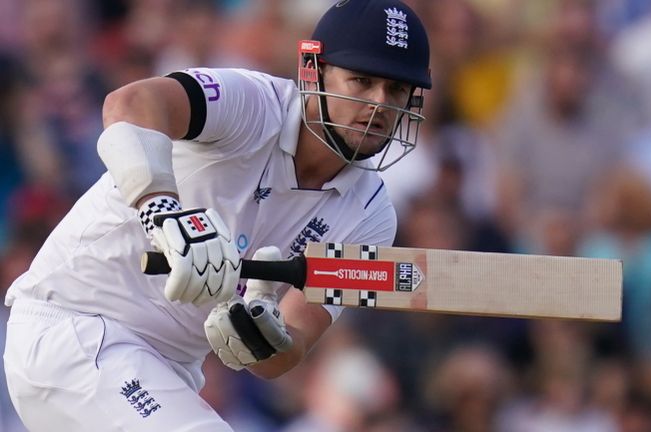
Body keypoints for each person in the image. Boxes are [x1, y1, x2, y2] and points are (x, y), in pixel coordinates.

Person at [3, 0, 431, 430]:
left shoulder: (372, 215)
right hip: (73, 325)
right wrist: (163, 212)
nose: (380, 105)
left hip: (166, 370)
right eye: (361, 81)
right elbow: (129, 102)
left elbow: (288, 350)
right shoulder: (253, 103)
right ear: (311, 69)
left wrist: (263, 333)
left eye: (396, 90)